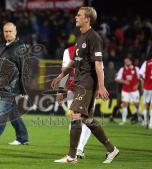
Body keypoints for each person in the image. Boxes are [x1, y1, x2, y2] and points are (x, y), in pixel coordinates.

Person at [51, 7, 119, 164]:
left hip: (88, 83)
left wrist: (101, 86)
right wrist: (61, 75)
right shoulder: (81, 38)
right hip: (80, 82)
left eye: (79, 15)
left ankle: (72, 156)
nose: (76, 17)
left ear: (87, 19)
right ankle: (111, 149)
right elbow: (74, 62)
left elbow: (98, 64)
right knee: (87, 120)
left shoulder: (94, 37)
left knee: (75, 114)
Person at [0, 22, 29, 145]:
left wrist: (24, 89)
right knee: (12, 113)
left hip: (11, 86)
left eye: (10, 31)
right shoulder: (1, 47)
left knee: (3, 111)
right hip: (2, 85)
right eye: (6, 31)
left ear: (15, 32)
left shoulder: (20, 48)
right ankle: (22, 137)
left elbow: (23, 68)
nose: (8, 33)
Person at [56, 45, 91, 159]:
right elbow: (64, 71)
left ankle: (79, 149)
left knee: (86, 120)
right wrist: (61, 90)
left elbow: (99, 68)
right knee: (74, 119)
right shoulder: (68, 51)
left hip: (88, 88)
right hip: (73, 88)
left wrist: (100, 87)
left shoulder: (94, 49)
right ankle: (74, 150)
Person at [115, 56, 140, 125]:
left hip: (134, 90)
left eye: (127, 61)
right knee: (125, 104)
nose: (126, 63)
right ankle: (123, 120)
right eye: (125, 61)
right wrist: (124, 81)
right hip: (125, 90)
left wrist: (137, 85)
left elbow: (140, 77)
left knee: (137, 105)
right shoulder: (122, 69)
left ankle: (140, 119)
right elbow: (117, 79)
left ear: (131, 62)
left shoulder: (136, 69)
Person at [139, 55, 152, 129]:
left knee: (146, 106)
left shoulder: (146, 63)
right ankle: (151, 124)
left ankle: (146, 122)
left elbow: (140, 74)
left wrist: (144, 81)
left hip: (147, 87)